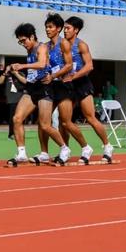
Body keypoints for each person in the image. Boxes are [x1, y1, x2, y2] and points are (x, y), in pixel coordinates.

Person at [7, 23, 71, 167]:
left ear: (32, 37)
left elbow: (42, 64)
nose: (22, 44)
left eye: (24, 41)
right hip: (31, 88)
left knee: (45, 125)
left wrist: (22, 66)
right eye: (20, 42)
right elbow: (30, 76)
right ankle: (22, 153)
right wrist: (16, 72)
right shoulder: (29, 50)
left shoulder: (41, 47)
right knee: (17, 118)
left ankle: (64, 149)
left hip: (44, 89)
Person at [38, 13, 91, 165]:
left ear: (58, 28)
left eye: (50, 27)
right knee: (43, 122)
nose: (47, 30)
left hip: (64, 86)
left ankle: (85, 148)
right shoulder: (46, 46)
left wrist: (53, 75)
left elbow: (68, 65)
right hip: (52, 86)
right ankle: (44, 152)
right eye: (46, 27)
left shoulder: (64, 44)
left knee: (66, 122)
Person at [63, 16, 114, 162]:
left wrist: (74, 76)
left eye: (68, 28)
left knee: (90, 117)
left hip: (82, 83)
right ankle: (66, 150)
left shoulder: (81, 45)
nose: (65, 31)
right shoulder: (61, 45)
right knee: (64, 120)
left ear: (76, 30)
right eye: (64, 28)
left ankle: (107, 146)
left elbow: (89, 66)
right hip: (67, 85)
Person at [0, 64, 24, 139]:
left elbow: (25, 82)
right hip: (11, 99)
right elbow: (0, 82)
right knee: (12, 118)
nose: (13, 68)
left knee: (20, 118)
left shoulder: (21, 74)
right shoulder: (7, 75)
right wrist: (6, 71)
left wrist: (16, 73)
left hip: (20, 98)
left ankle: (19, 133)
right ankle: (11, 134)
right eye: (11, 67)